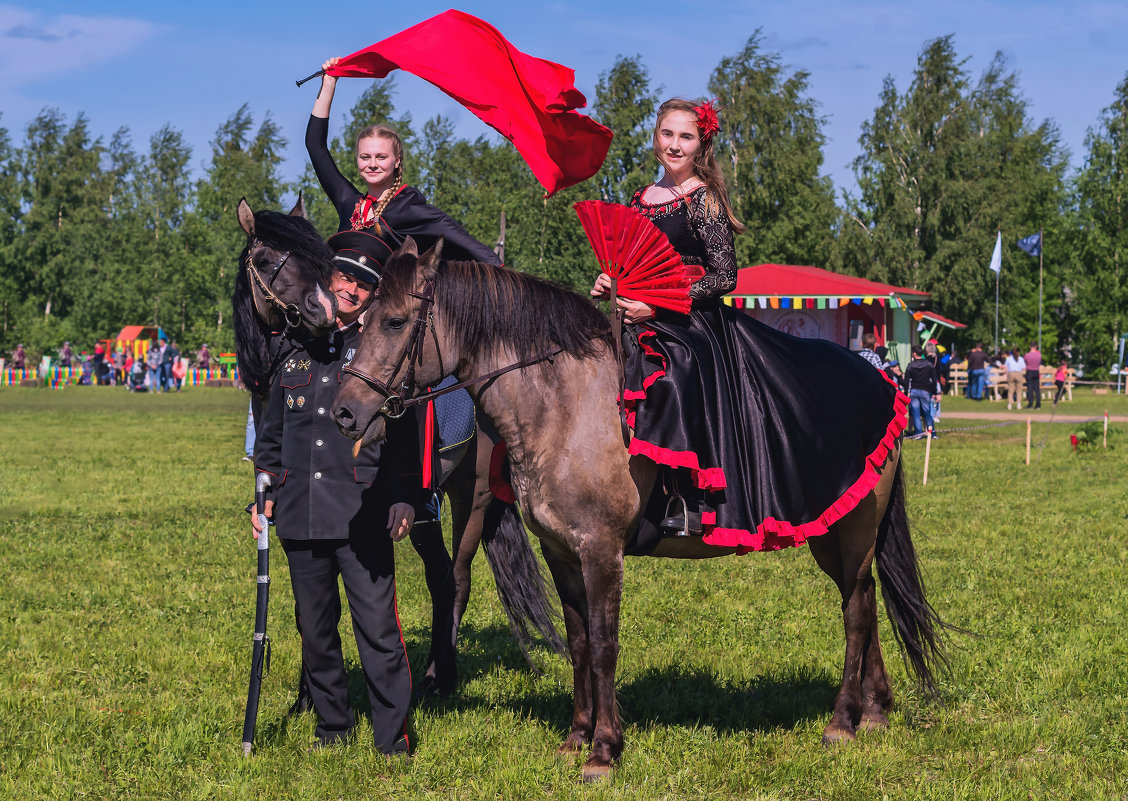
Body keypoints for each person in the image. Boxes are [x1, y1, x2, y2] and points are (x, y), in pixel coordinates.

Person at [589, 98, 905, 548]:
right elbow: (632, 261)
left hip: (692, 323)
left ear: (701, 145)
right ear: (655, 136)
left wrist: (658, 307)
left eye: (686, 137)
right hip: (634, 318)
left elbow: (725, 277)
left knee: (675, 376)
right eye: (667, 134)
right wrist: (611, 282)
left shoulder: (705, 200)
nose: (674, 145)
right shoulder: (641, 197)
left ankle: (687, 501)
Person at [252, 230, 420, 754]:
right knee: (316, 633)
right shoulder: (292, 347)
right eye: (344, 275)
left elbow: (406, 437)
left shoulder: (381, 352)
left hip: (362, 511)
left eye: (364, 282)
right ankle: (333, 728)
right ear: (327, 278)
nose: (350, 288)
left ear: (375, 293)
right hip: (299, 513)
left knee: (378, 633)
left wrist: (404, 496)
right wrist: (261, 496)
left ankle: (393, 738)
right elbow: (272, 435)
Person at [305, 57, 502, 262]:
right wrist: (329, 84)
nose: (372, 164)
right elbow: (315, 146)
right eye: (365, 157)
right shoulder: (348, 201)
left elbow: (468, 245)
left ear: (397, 160)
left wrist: (505, 279)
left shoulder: (409, 208)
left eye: (381, 157)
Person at [1024, 342, 1042, 409]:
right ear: (1036, 346)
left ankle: (1030, 404)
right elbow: (1039, 363)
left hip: (1029, 371)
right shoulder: (1039, 355)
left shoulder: (1027, 355)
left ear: (1029, 346)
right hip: (1036, 371)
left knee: (1030, 388)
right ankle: (1038, 404)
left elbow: (1025, 363)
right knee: (1037, 389)